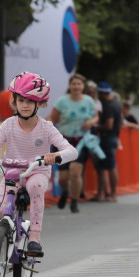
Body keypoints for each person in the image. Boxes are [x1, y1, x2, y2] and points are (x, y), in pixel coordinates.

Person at [0, 72, 77, 258]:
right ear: (14, 101)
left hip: (36, 171)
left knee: (35, 186)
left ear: (39, 104)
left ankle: (34, 238)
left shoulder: (47, 127)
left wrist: (55, 155)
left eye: (30, 101)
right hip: (12, 173)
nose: (25, 105)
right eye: (21, 100)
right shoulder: (8, 125)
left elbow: (72, 151)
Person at [48, 73, 98, 214]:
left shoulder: (88, 101)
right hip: (64, 140)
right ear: (69, 86)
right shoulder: (62, 101)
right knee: (63, 177)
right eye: (74, 84)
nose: (76, 86)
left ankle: (75, 201)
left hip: (81, 140)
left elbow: (96, 116)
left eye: (79, 84)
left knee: (75, 173)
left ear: (83, 86)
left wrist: (91, 122)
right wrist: (49, 125)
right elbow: (52, 116)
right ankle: (65, 192)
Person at [95, 82, 123, 201]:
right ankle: (101, 193)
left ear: (102, 93)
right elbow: (120, 121)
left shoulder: (109, 106)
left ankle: (113, 194)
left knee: (111, 166)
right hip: (113, 137)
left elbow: (109, 124)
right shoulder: (117, 104)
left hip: (108, 137)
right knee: (102, 167)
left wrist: (97, 128)